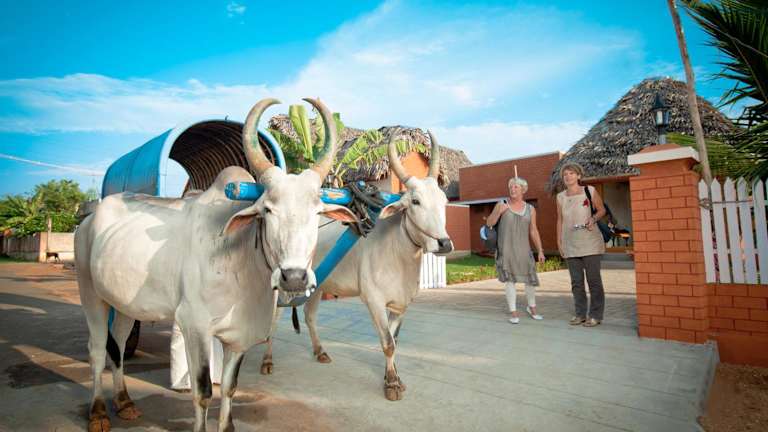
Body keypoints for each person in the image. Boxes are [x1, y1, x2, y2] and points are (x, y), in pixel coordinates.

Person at [486, 177, 545, 324]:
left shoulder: (530, 209)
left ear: (523, 190)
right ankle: (513, 312)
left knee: (530, 279)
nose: (512, 189)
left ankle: (532, 308)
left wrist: (540, 250)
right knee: (510, 280)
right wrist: (498, 212)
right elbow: (489, 223)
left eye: (516, 187)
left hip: (524, 249)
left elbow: (533, 231)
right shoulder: (501, 204)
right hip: (506, 249)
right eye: (511, 187)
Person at [556, 163, 606, 327]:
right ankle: (580, 314)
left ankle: (596, 315)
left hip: (590, 242)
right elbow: (560, 220)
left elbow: (601, 210)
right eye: (565, 174)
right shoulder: (560, 197)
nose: (568, 176)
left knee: (594, 281)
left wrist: (593, 219)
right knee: (576, 283)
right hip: (570, 243)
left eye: (571, 173)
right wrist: (559, 241)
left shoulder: (589, 191)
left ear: (578, 176)